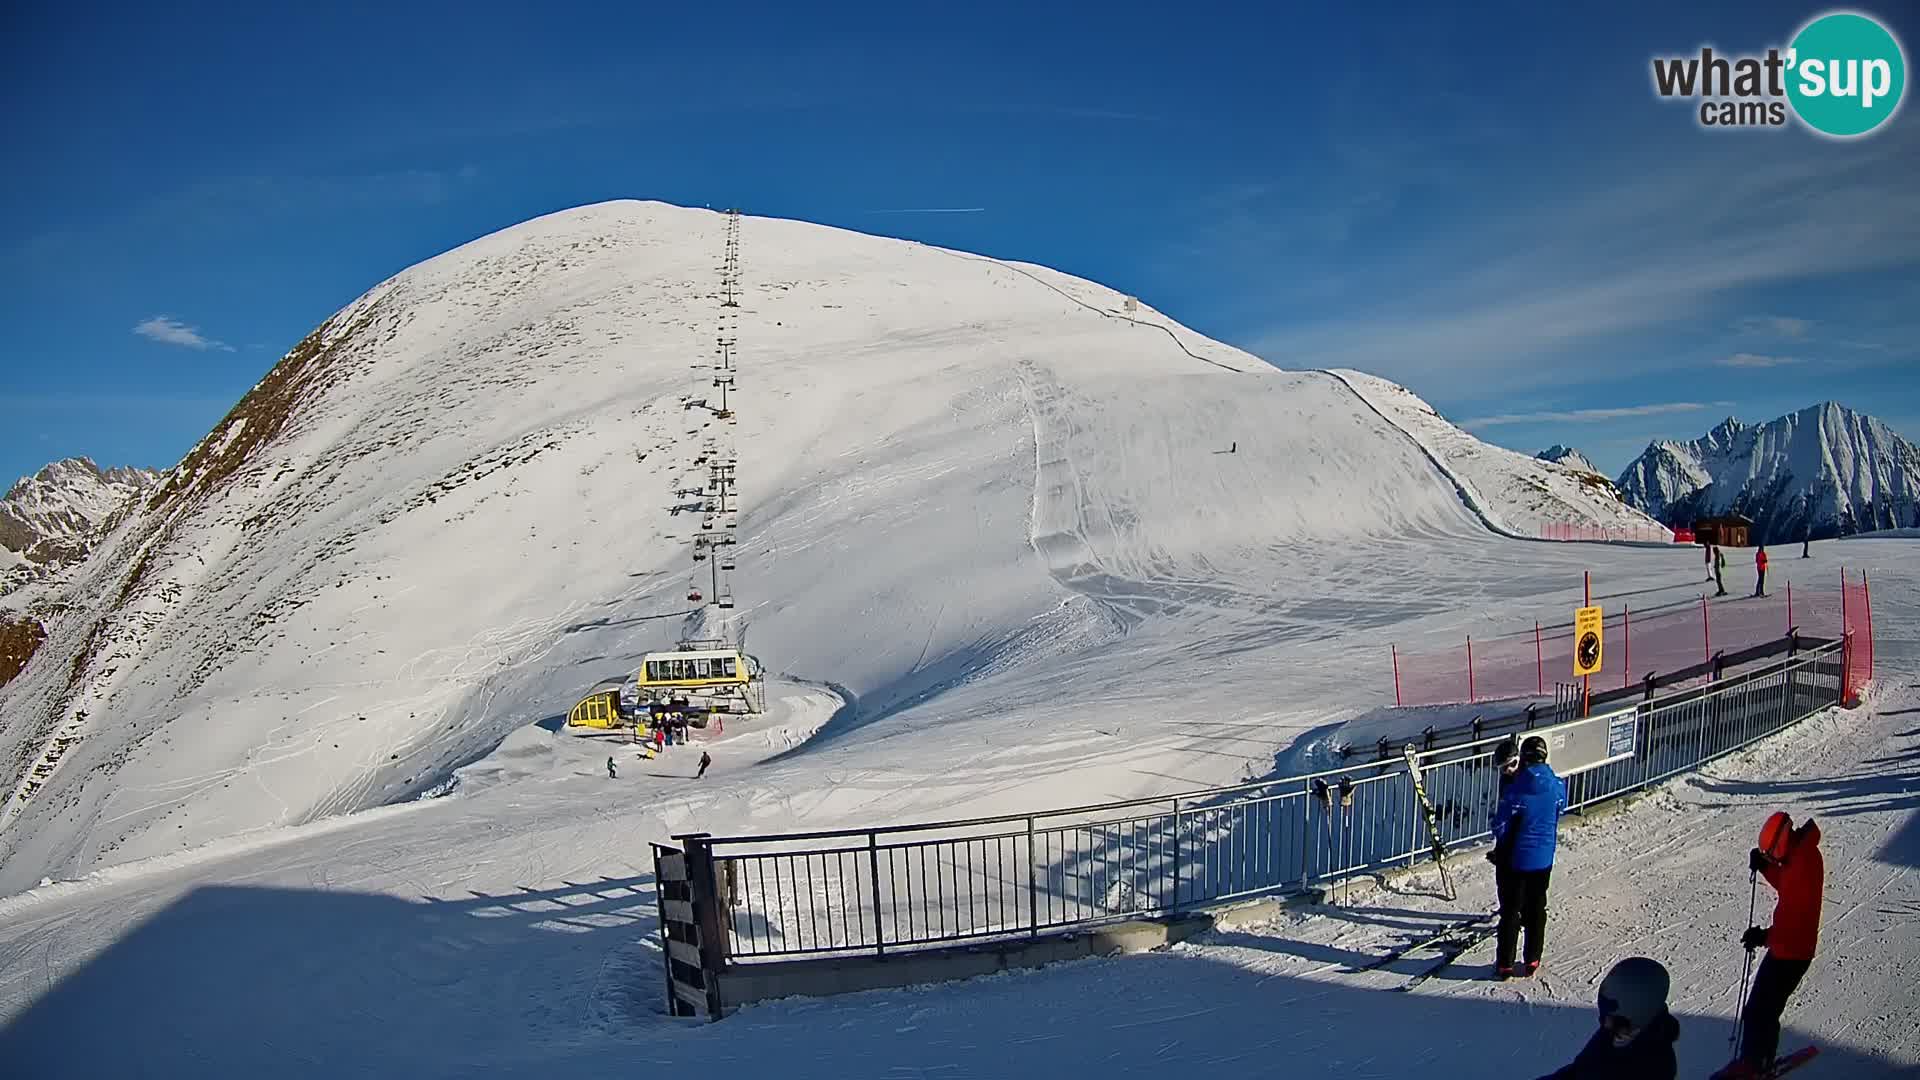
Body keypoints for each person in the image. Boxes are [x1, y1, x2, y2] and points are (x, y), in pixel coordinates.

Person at [1721, 813, 1823, 1078]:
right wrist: (1766, 867)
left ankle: (1754, 1065)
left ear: (1781, 842)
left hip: (1792, 952)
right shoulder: (1800, 854)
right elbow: (1785, 882)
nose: (1773, 858)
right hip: (1790, 949)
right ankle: (1760, 1061)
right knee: (1764, 1009)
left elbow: (1790, 928)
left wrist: (1763, 937)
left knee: (1759, 1011)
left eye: (1772, 854)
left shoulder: (1801, 867)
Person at [1491, 735, 1567, 978]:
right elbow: (1560, 807)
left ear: (1523, 758)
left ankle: (1505, 962)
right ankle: (1532, 958)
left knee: (1511, 910)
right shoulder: (1557, 785)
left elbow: (1500, 826)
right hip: (1543, 857)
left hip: (1516, 860)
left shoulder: (1516, 791)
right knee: (1536, 908)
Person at [1535, 956, 1680, 1080]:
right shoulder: (1613, 1034)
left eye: (1614, 1019)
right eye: (1605, 1017)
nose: (1605, 1024)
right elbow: (1580, 1071)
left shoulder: (1654, 1068)